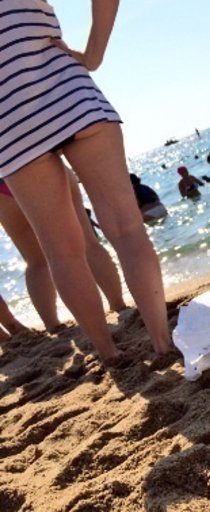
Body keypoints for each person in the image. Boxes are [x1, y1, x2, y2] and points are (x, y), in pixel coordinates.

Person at [1, 0, 171, 364]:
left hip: (12, 123)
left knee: (61, 252)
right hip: (70, 93)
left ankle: (108, 353)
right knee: (127, 229)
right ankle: (162, 342)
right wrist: (93, 54)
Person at [0, 172, 128, 332]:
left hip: (4, 184)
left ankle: (52, 325)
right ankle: (118, 305)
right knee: (88, 244)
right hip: (42, 166)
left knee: (36, 262)